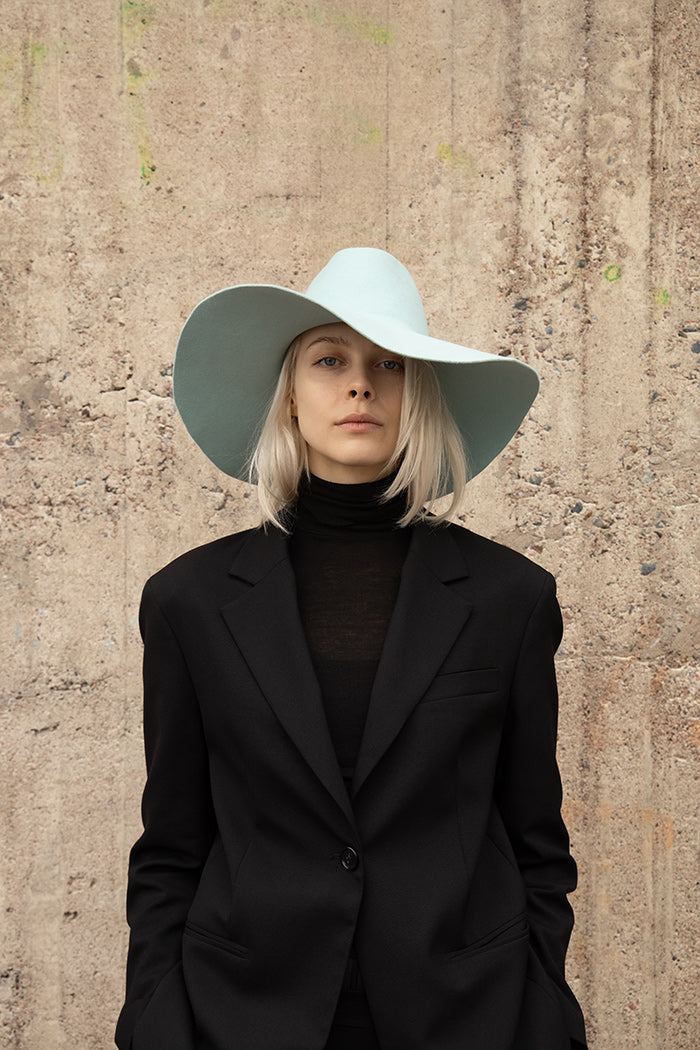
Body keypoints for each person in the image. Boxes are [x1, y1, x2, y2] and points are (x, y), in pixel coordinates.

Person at [115, 247, 587, 1050]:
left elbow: (537, 840)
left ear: (420, 397)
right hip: (241, 1014)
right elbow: (172, 845)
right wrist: (156, 1019)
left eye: (390, 364)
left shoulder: (511, 599)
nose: (360, 384)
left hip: (466, 1014)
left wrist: (542, 1009)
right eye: (329, 359)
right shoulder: (188, 602)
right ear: (290, 400)